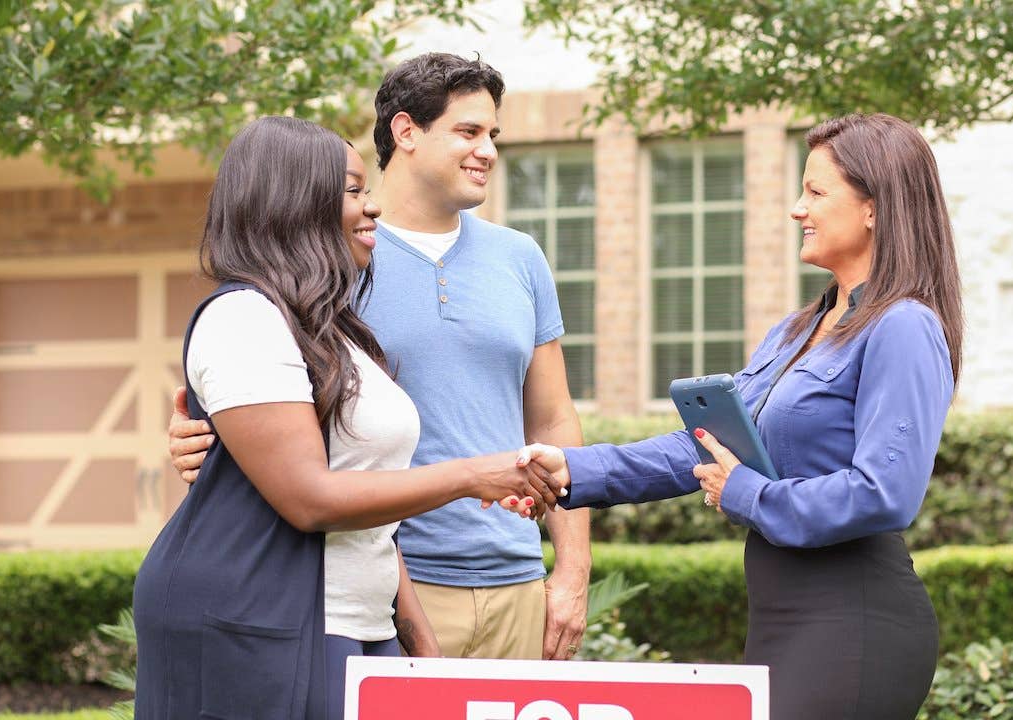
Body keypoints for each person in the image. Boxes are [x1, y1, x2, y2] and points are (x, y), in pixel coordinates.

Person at [519, 113, 963, 720]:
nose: (796, 209)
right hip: (781, 620)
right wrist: (570, 469)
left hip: (855, 624)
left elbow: (886, 493)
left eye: (816, 191)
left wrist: (750, 494)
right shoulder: (795, 331)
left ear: (875, 208)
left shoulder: (904, 325)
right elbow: (704, 446)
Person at [166, 53, 591, 662]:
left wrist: (571, 573)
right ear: (406, 132)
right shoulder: (336, 255)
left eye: (492, 135)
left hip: (515, 578)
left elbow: (553, 420)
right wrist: (208, 436)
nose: (489, 151)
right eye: (469, 132)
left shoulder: (521, 258)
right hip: (389, 585)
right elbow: (268, 392)